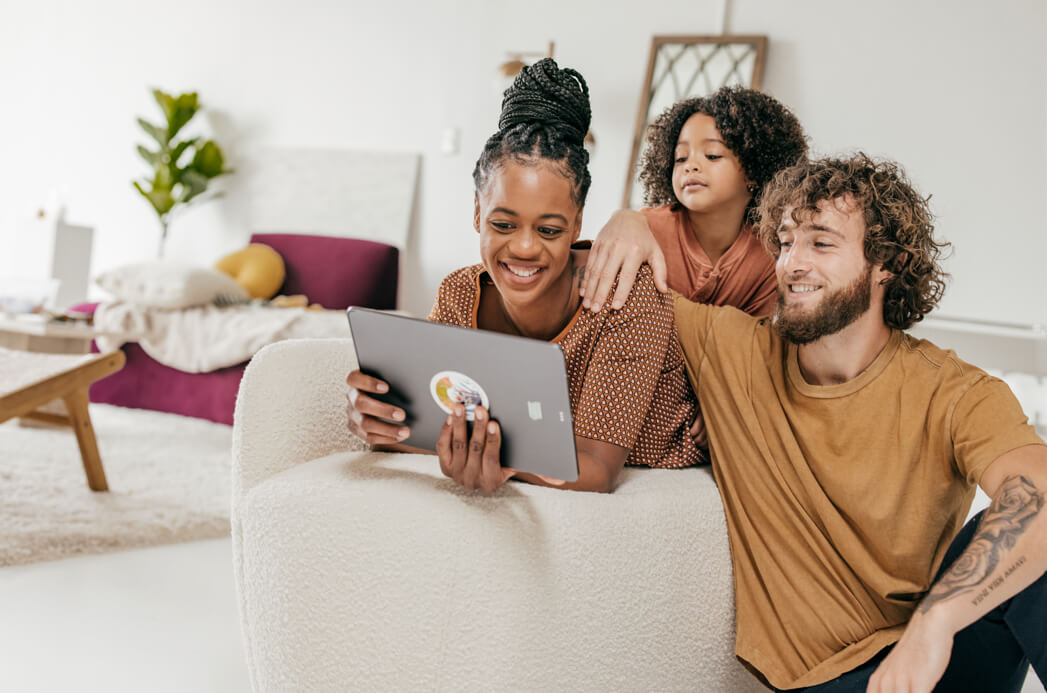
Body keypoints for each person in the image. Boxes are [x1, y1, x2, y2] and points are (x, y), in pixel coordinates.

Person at [672, 153, 1047, 691]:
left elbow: (1038, 494)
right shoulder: (731, 351)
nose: (793, 263)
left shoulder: (953, 390)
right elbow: (562, 278)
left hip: (940, 662)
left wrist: (933, 626)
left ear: (884, 264)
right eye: (785, 241)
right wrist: (628, 226)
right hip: (830, 681)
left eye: (821, 243)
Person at [345, 58, 702, 494]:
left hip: (662, 461)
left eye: (550, 230)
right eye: (503, 224)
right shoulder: (459, 293)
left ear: (576, 225)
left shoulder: (624, 295)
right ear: (477, 212)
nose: (526, 248)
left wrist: (501, 458)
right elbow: (439, 425)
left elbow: (595, 469)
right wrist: (385, 423)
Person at [580, 86, 808, 316]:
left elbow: (752, 340)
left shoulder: (769, 256)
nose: (690, 165)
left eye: (712, 155)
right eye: (680, 158)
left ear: (754, 172)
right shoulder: (646, 230)